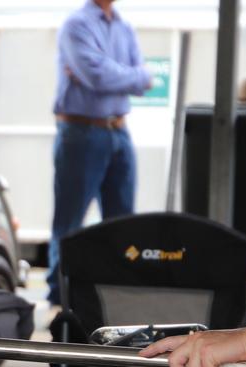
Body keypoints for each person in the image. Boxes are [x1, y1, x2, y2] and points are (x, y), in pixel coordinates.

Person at [47, 0, 152, 305]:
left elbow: (144, 79)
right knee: (70, 222)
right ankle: (60, 297)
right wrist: (129, 76)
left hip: (119, 130)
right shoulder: (76, 25)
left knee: (122, 221)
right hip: (82, 132)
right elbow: (99, 76)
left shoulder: (124, 26)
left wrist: (116, 74)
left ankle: (116, 291)